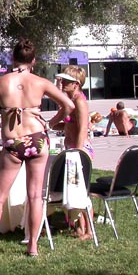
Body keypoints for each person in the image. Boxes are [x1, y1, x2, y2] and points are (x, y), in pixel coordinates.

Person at [0, 39, 74, 257]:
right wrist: (51, 122)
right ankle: (32, 246)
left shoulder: (0, 82)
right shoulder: (40, 82)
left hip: (14, 141)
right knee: (36, 196)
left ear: (12, 58)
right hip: (38, 139)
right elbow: (69, 105)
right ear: (34, 61)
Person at [48, 65, 93, 241]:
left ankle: (89, 231)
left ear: (76, 84)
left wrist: (78, 151)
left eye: (66, 81)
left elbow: (83, 128)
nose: (62, 82)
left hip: (79, 150)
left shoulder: (79, 101)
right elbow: (58, 124)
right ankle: (79, 227)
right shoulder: (69, 101)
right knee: (74, 189)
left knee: (81, 190)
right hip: (71, 149)